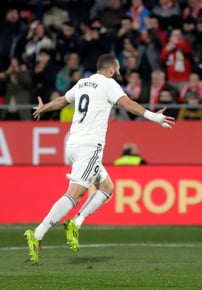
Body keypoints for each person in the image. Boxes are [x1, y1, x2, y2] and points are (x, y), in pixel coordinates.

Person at [24, 54, 175, 264]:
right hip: (89, 147)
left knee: (107, 187)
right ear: (111, 70)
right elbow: (127, 103)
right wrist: (154, 117)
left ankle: (76, 223)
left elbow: (61, 101)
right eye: (119, 70)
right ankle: (38, 234)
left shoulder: (82, 83)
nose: (120, 73)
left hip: (73, 144)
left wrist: (43, 108)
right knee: (75, 194)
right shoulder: (108, 83)